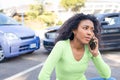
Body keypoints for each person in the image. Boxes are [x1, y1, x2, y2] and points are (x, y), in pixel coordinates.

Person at [38, 13, 116, 80]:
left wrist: (95, 54)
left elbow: (106, 75)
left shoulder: (90, 47)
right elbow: (43, 76)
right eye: (85, 28)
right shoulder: (61, 46)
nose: (89, 33)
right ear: (74, 30)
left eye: (92, 30)